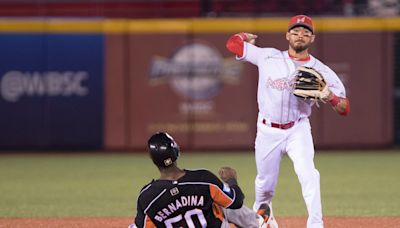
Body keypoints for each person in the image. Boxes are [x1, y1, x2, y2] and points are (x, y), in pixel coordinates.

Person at [225, 15, 350, 228]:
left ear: (312, 38)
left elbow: (344, 108)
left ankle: (316, 223)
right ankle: (264, 216)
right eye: (295, 31)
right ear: (287, 35)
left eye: (305, 32)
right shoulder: (267, 56)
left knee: (308, 174)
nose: (300, 35)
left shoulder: (321, 69)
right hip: (267, 129)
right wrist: (245, 36)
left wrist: (331, 96)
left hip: (297, 129)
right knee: (265, 185)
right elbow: (232, 44)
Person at [130, 132, 271, 228]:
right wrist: (231, 180)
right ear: (175, 151)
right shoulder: (203, 179)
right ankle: (258, 222)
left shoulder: (147, 197)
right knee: (220, 201)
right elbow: (236, 201)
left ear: (153, 160)